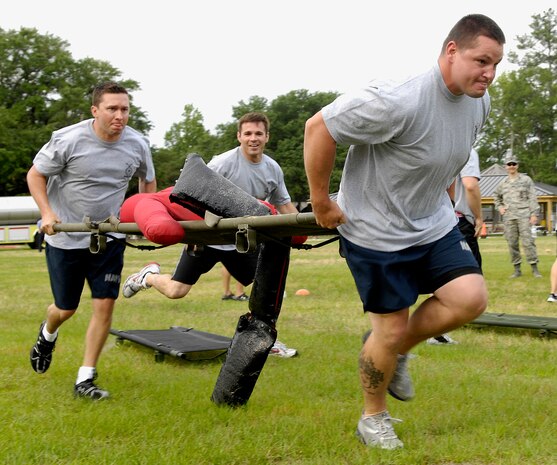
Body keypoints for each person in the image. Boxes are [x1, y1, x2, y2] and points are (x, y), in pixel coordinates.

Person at [303, 14, 504, 449]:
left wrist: (447, 205)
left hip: (431, 224)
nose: (489, 74)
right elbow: (319, 128)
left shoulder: (479, 102)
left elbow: (450, 153)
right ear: (452, 51)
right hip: (375, 232)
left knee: (471, 298)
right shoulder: (398, 98)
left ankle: (394, 349)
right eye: (482, 61)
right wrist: (321, 201)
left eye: (496, 65)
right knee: (388, 332)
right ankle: (372, 417)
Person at [122, 112, 299, 356]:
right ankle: (148, 277)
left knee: (267, 291)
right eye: (247, 133)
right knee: (176, 291)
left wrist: (303, 227)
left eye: (259, 133)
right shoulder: (223, 163)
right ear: (239, 136)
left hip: (239, 244)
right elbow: (187, 193)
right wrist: (193, 235)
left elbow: (285, 206)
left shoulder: (272, 169)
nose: (253, 138)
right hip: (208, 239)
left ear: (267, 137)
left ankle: (265, 341)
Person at [27, 82, 157, 400]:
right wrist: (47, 213)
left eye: (124, 109)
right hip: (66, 238)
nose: (120, 115)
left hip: (108, 236)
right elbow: (35, 174)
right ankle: (48, 333)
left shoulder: (138, 143)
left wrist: (144, 213)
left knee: (105, 304)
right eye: (112, 108)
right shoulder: (68, 139)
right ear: (95, 110)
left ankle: (85, 379)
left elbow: (148, 180)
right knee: (65, 308)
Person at [428, 148, 484, 345]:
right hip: (459, 220)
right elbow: (470, 185)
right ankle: (437, 331)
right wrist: (478, 217)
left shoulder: (443, 147)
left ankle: (437, 331)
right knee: (468, 281)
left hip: (438, 217)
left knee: (446, 277)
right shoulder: (468, 151)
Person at [494, 151, 541, 278]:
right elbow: (496, 196)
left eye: (514, 164)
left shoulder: (526, 180)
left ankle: (534, 268)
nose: (511, 166)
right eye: (509, 164)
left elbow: (532, 197)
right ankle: (517, 270)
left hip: (524, 215)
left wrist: (534, 214)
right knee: (512, 243)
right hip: (509, 217)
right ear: (505, 167)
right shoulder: (503, 184)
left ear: (517, 165)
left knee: (528, 242)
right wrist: (500, 207)